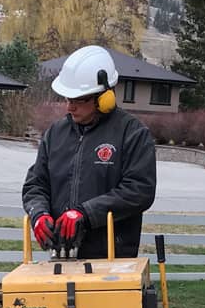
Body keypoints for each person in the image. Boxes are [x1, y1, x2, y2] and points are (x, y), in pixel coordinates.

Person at [22, 45, 157, 259]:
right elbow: (36, 184)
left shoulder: (132, 134)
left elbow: (139, 191)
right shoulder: (55, 134)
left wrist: (86, 213)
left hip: (112, 258)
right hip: (62, 255)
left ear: (104, 98)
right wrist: (39, 214)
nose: (69, 107)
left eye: (78, 100)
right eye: (67, 99)